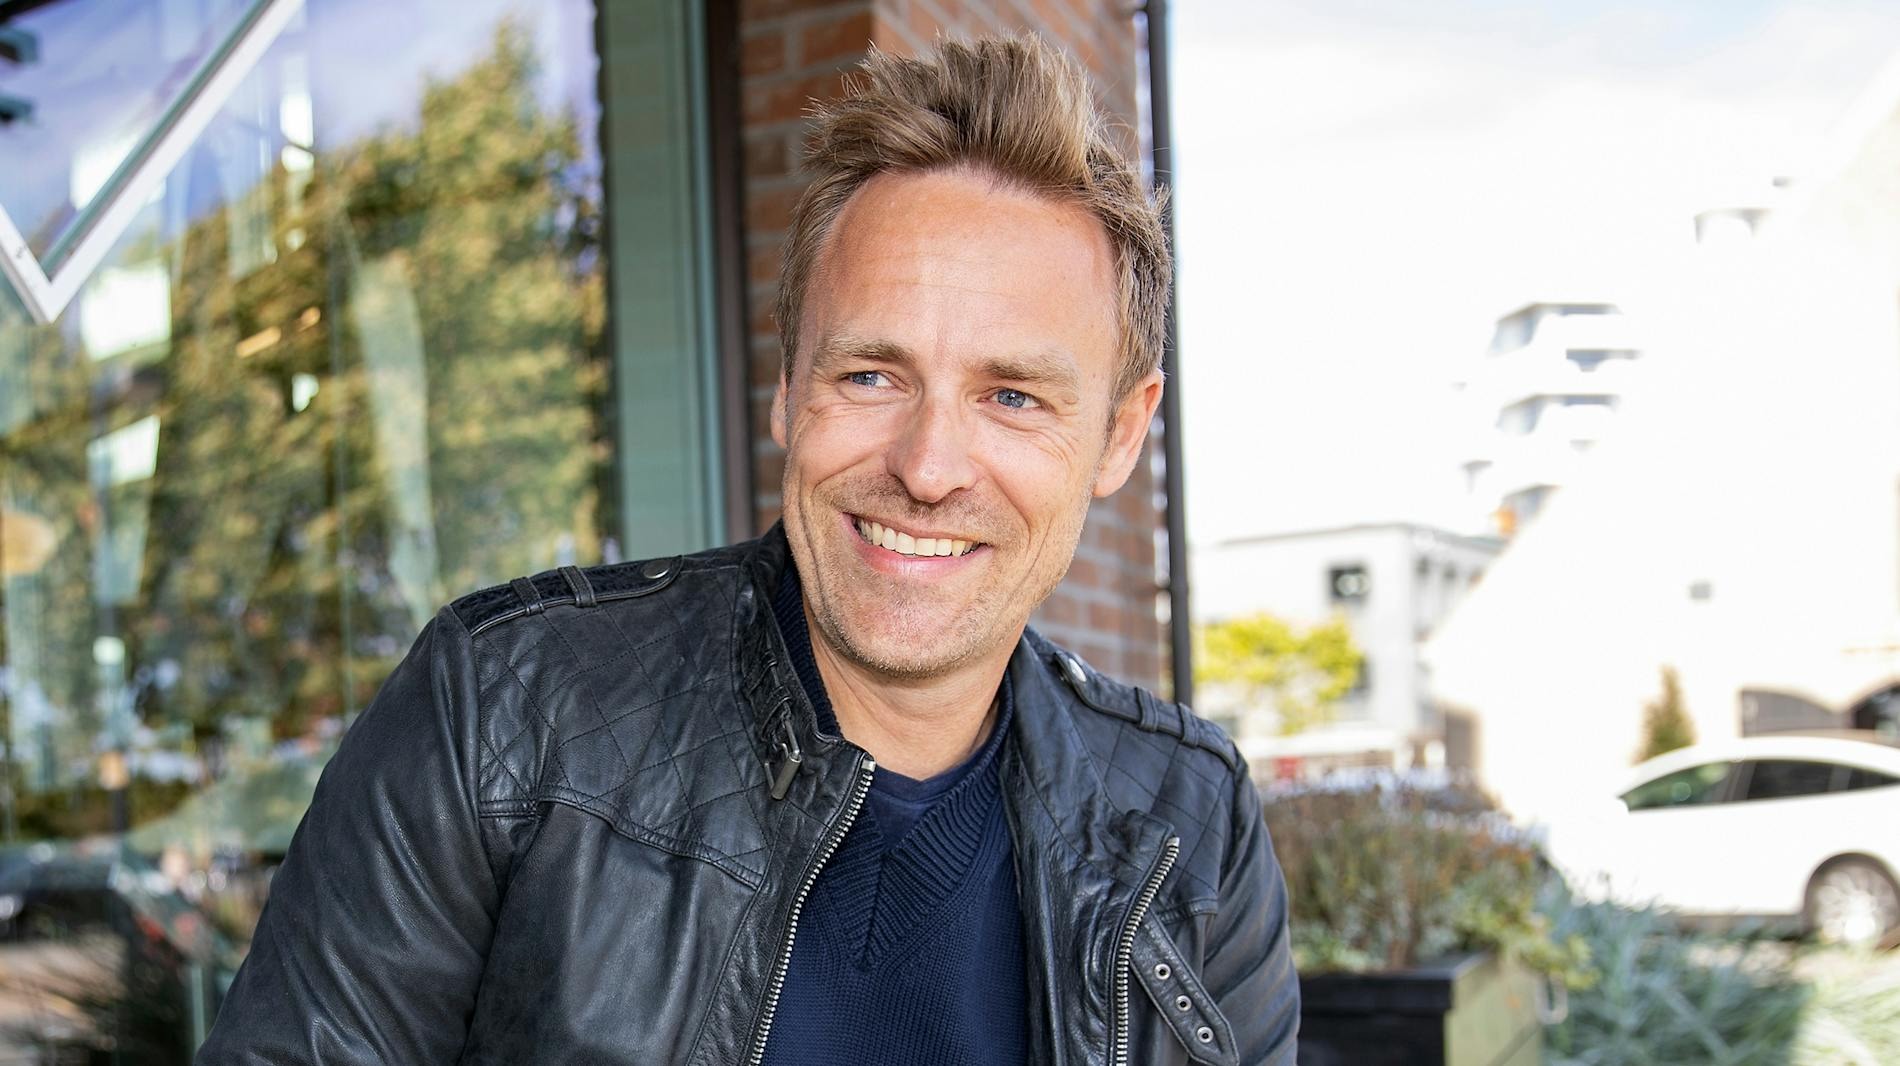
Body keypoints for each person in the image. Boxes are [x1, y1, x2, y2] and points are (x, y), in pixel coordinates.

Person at [198, 35, 1299, 1066]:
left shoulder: (1188, 823)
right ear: (786, 389)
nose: (927, 467)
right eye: (870, 375)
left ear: (1119, 435)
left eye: (1011, 396)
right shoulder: (503, 713)